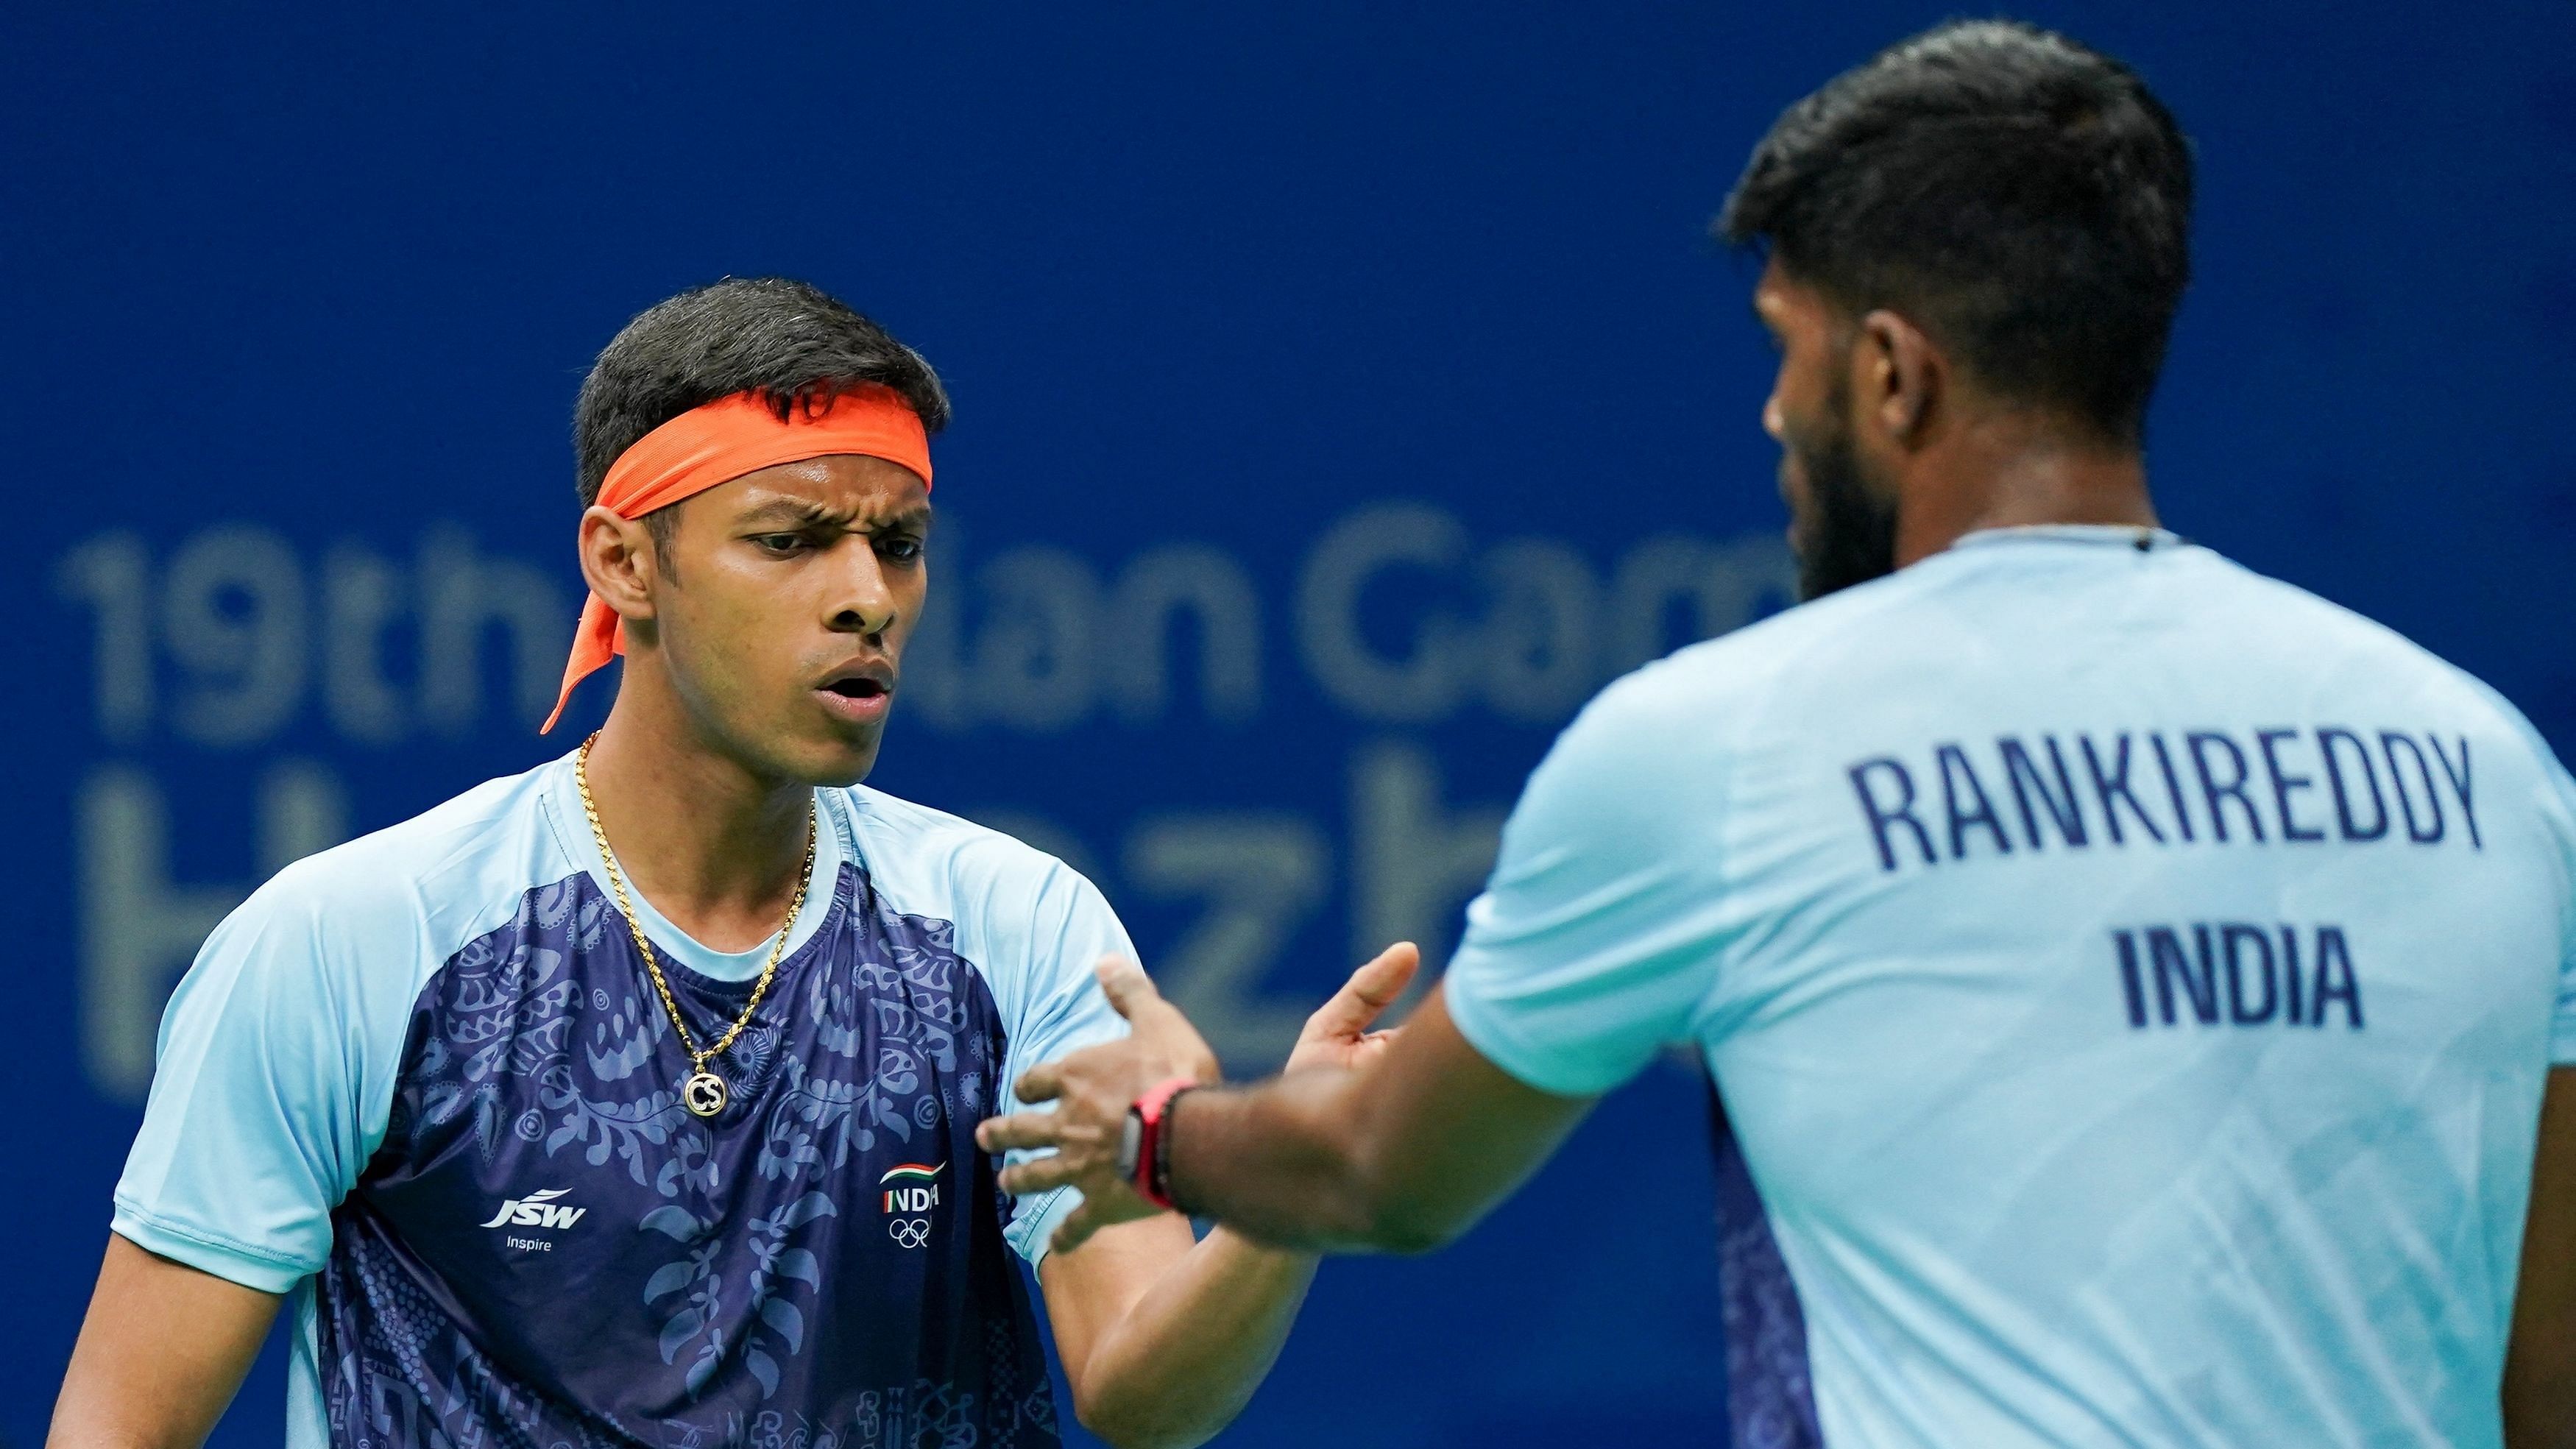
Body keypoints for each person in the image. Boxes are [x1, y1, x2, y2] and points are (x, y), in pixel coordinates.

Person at [977, 21, 2576, 1448]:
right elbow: (2547, 1379)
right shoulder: (2493, 769)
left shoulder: (1728, 743)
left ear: (1890, 373)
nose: (1768, 416)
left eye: (1783, 350)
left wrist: (1162, 1137)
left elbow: (1383, 1172)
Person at [49, 277, 1405, 1449]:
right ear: (625, 563)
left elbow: (1138, 1395)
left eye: (899, 543)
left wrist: (1291, 1188)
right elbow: (123, 1422)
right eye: (792, 538)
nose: (867, 592)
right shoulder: (354, 939)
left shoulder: (1018, 928)